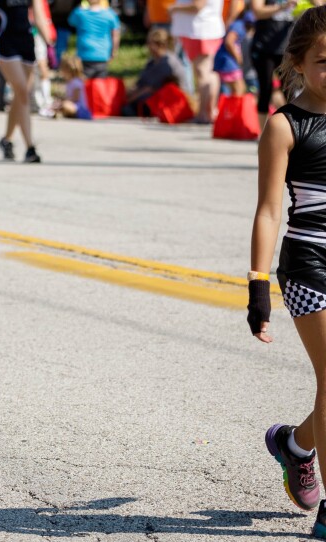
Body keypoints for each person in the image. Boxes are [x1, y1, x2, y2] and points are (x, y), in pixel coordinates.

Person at [249, 7, 326, 539]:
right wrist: (257, 284)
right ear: (298, 62)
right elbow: (270, 210)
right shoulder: (284, 125)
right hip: (308, 265)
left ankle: (296, 444)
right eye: (325, 60)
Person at [0, 0, 52, 163]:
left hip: (26, 40)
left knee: (21, 96)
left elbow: (39, 15)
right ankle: (30, 148)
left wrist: (49, 43)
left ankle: (6, 140)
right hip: (6, 40)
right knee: (23, 92)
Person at [170, 0, 225, 123]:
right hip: (205, 29)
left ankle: (203, 113)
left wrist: (175, 8)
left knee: (202, 72)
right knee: (209, 72)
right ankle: (210, 111)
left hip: (199, 31)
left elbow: (198, 6)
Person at [250, 0, 297, 130]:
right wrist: (282, 7)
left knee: (290, 91)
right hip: (264, 47)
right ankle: (262, 134)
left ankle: (294, 131)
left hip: (287, 49)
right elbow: (257, 11)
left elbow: (320, 8)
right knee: (266, 89)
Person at [122, 28, 186, 116]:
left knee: (126, 110)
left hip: (164, 101)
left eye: (149, 43)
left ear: (158, 44)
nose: (147, 46)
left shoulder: (166, 63)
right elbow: (140, 83)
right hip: (151, 98)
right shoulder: (153, 62)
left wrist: (128, 100)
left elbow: (149, 89)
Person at [67, 0, 120, 79]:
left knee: (85, 83)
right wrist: (113, 51)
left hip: (85, 54)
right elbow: (115, 35)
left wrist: (79, 7)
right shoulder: (110, 14)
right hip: (103, 53)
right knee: (99, 85)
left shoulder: (80, 13)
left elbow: (71, 21)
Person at [213, 13, 247, 95]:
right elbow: (229, 42)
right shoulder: (239, 24)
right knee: (239, 90)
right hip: (228, 61)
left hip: (226, 60)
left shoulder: (238, 24)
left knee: (235, 91)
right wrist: (238, 57)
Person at [53, 54, 91, 119]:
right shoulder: (69, 82)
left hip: (80, 110)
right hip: (73, 106)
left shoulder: (76, 82)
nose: (62, 74)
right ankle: (61, 112)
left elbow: (75, 98)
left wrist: (64, 101)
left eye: (63, 71)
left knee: (65, 105)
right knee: (58, 104)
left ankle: (63, 112)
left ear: (69, 71)